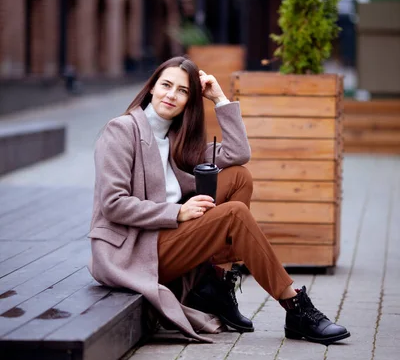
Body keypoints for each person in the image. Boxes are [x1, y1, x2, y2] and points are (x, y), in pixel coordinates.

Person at [89, 56, 350, 345]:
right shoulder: (122, 131)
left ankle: (216, 284)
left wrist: (220, 99)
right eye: (166, 85)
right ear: (151, 88)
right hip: (136, 250)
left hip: (170, 237)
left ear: (190, 100)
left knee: (239, 177)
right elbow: (113, 204)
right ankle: (294, 305)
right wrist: (177, 212)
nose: (171, 95)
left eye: (183, 91)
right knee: (234, 213)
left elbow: (238, 154)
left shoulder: (179, 137)